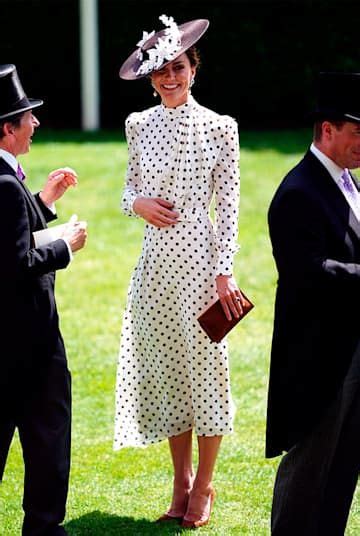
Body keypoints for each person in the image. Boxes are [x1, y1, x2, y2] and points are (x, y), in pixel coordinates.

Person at [114, 14, 245, 529]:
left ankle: (205, 486)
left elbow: (230, 208)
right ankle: (180, 481)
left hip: (201, 264)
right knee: (168, 375)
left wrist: (224, 272)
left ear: (194, 68)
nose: (171, 77)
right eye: (162, 70)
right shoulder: (136, 125)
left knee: (208, 375)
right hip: (155, 269)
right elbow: (127, 190)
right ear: (150, 78)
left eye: (179, 67)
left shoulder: (221, 128)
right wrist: (137, 204)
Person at [266, 71, 360, 535]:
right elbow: (309, 274)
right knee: (309, 473)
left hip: (351, 352)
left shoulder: (347, 180)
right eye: (358, 131)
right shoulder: (297, 192)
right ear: (328, 129)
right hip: (317, 360)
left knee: (342, 469)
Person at [0, 64, 87, 536]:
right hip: (29, 345)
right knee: (48, 444)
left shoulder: (8, 182)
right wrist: (64, 246)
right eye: (27, 117)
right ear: (8, 128)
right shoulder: (4, 185)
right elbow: (15, 262)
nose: (35, 123)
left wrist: (45, 201)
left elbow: (7, 232)